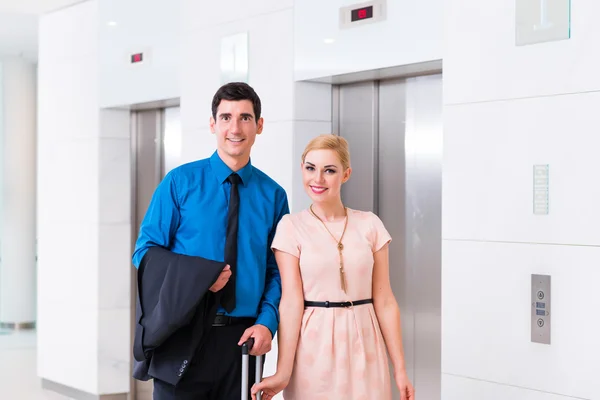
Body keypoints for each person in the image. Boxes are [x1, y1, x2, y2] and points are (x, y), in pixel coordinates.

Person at [132, 81, 289, 400]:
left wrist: (267, 323)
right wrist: (199, 277)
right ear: (212, 124)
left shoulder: (273, 195)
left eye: (245, 117)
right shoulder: (179, 183)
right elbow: (144, 254)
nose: (235, 127)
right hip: (183, 333)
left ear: (259, 126)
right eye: (226, 117)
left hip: (244, 341)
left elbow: (278, 271)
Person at [251, 134, 415, 400]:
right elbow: (291, 303)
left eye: (329, 170)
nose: (318, 179)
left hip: (366, 343)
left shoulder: (370, 224)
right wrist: (283, 371)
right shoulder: (291, 227)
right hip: (313, 347)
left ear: (346, 174)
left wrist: (400, 369)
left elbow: (384, 301)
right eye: (310, 168)